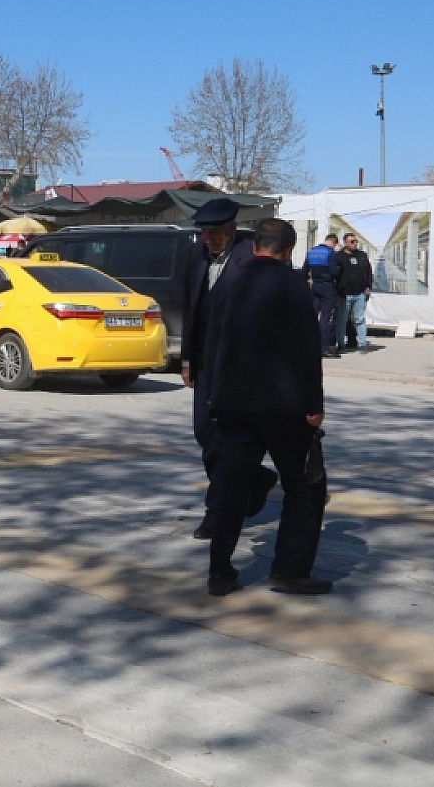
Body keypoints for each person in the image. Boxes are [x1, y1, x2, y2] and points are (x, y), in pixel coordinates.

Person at [203, 218, 332, 597]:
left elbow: (213, 341)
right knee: (306, 485)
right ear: (289, 250)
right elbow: (306, 349)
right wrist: (314, 404)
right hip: (284, 406)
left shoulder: (230, 280)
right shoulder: (292, 284)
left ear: (255, 244)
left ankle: (219, 572)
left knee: (230, 488)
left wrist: (214, 395)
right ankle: (291, 569)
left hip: (233, 404)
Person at [182, 198, 276, 541]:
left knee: (228, 439)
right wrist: (188, 360)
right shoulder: (196, 256)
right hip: (206, 364)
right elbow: (191, 308)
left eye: (216, 233)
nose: (209, 239)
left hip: (239, 368)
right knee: (205, 434)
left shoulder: (250, 258)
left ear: (232, 230)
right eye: (204, 233)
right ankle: (256, 479)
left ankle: (217, 511)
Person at [332, 233, 374, 353]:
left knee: (360, 320)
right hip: (344, 295)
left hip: (360, 294)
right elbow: (334, 275)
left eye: (356, 241)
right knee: (342, 320)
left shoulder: (362, 256)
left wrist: (368, 286)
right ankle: (340, 344)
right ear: (345, 243)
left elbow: (369, 272)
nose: (355, 243)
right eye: (352, 241)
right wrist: (336, 291)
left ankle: (362, 345)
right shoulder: (338, 257)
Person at [302, 232, 341, 359]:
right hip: (326, 286)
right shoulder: (330, 253)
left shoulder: (311, 252)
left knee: (312, 318)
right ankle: (324, 348)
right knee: (325, 319)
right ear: (333, 242)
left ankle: (308, 346)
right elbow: (334, 272)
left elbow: (304, 271)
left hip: (314, 286)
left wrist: (309, 279)